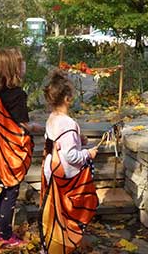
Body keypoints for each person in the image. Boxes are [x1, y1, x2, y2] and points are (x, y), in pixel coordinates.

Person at [0, 47, 42, 249]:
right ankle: (5, 234)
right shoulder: (17, 95)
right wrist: (42, 129)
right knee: (10, 192)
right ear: (13, 69)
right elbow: (23, 126)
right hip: (10, 154)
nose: (25, 66)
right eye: (21, 63)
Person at [39, 69, 99, 254]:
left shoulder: (52, 119)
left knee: (53, 212)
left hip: (51, 170)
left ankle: (51, 244)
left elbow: (56, 142)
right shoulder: (68, 123)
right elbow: (71, 156)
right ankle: (63, 244)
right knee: (70, 211)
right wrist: (88, 154)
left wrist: (80, 140)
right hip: (65, 176)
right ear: (67, 99)